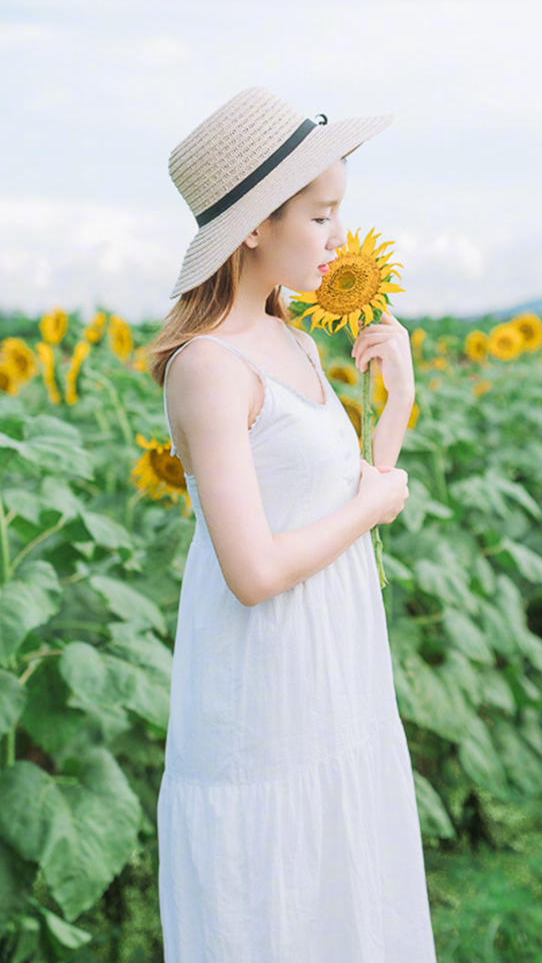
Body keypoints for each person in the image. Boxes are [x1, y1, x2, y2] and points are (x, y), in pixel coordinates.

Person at [144, 85, 437, 960]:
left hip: (334, 663)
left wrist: (396, 408)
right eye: (321, 216)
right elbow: (255, 570)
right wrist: (371, 505)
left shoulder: (299, 343)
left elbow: (344, 498)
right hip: (264, 684)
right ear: (253, 228)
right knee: (272, 896)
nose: (340, 239)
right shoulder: (208, 368)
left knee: (343, 882)